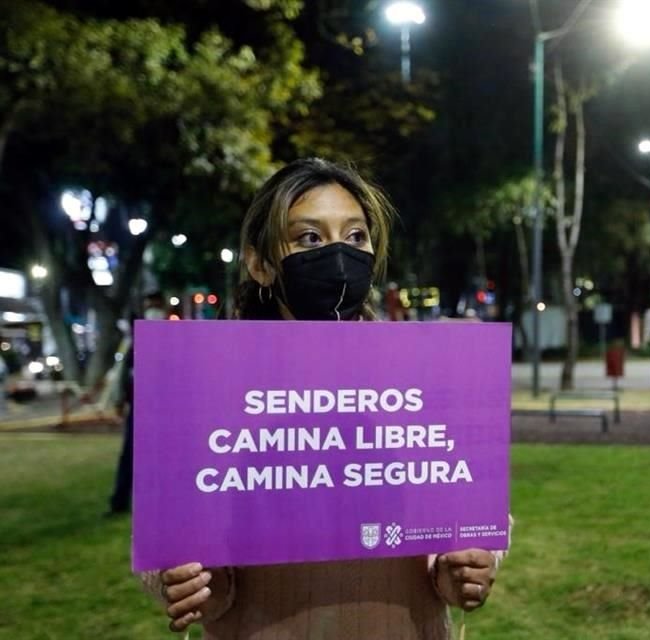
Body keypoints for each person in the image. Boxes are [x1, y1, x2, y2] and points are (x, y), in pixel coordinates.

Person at [141, 158, 509, 639]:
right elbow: (179, 536)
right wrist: (180, 578)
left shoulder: (425, 374)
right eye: (310, 238)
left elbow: (462, 505)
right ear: (260, 263)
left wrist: (469, 564)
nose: (338, 254)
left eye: (356, 236)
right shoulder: (210, 386)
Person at [106, 291, 167, 516]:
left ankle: (158, 505)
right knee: (129, 455)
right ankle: (119, 502)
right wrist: (120, 399)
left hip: (164, 409)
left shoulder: (170, 340)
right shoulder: (135, 342)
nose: (153, 310)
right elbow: (125, 374)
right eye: (149, 305)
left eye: (156, 305)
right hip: (139, 408)